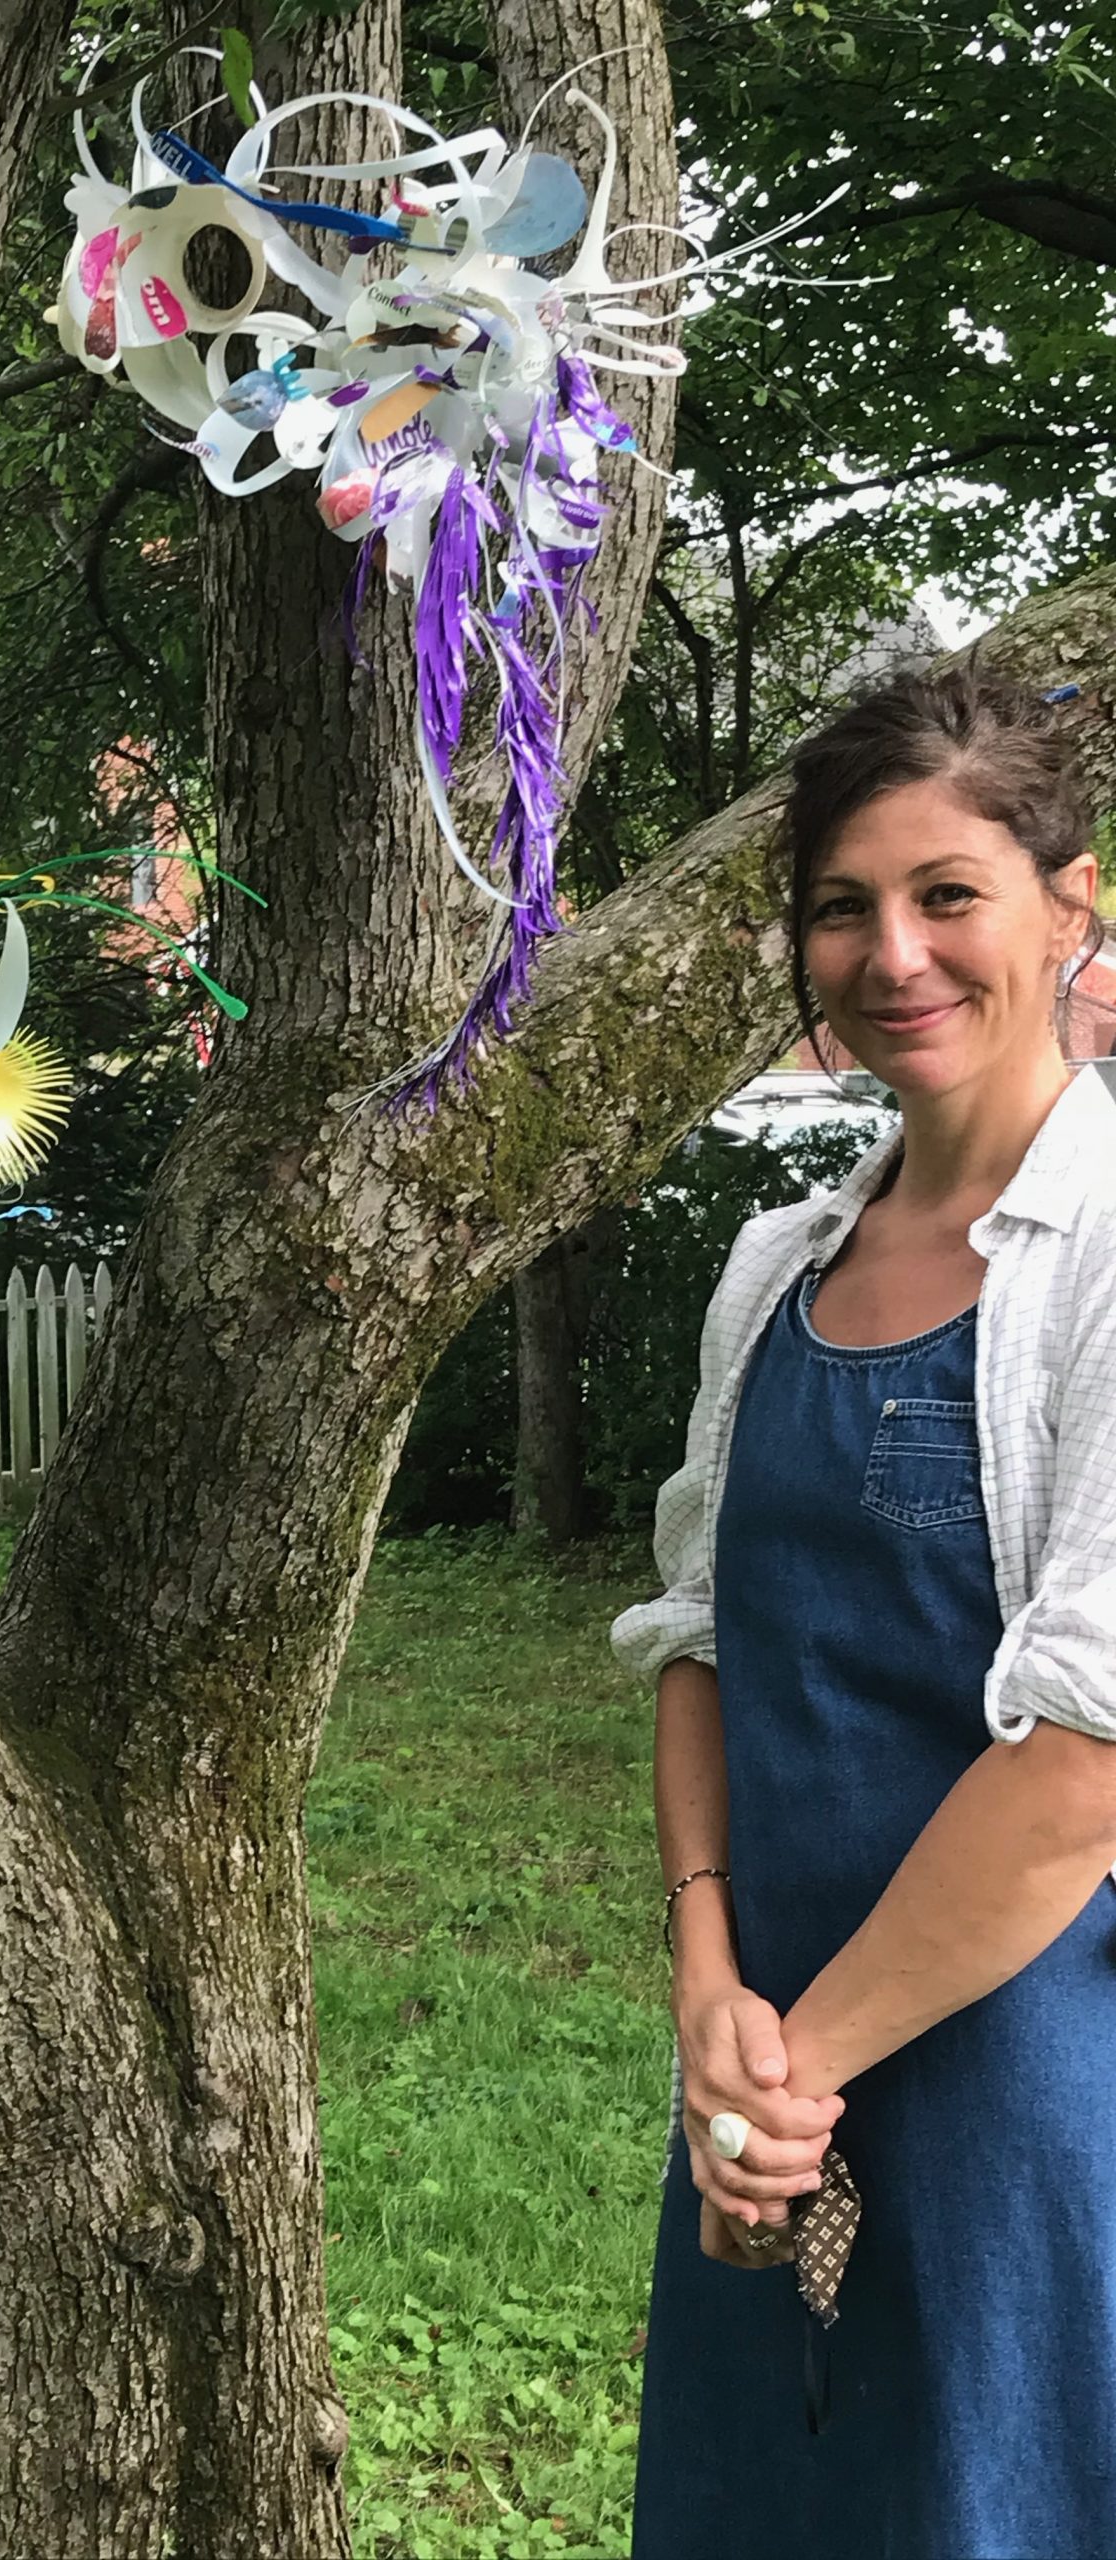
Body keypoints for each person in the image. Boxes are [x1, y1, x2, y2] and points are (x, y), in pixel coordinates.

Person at [610, 662, 1116, 2559]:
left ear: (1071, 906)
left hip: (1025, 2086)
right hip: (765, 2071)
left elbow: (1085, 1763)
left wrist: (789, 2083)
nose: (891, 953)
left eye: (946, 893)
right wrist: (711, 1993)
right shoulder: (776, 1265)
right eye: (842, 906)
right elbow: (698, 1635)